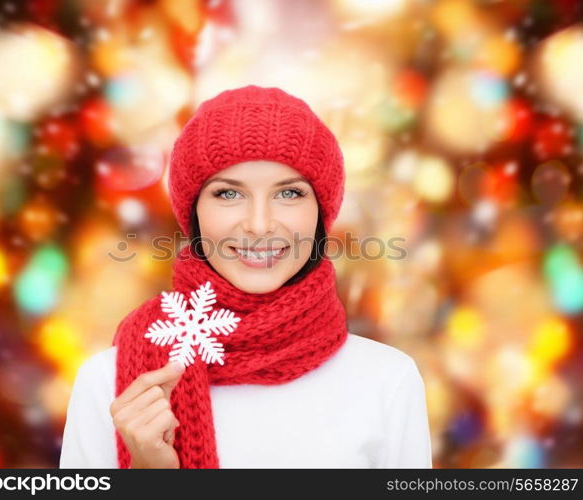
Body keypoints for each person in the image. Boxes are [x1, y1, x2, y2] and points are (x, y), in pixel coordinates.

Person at [59, 85, 432, 469]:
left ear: (321, 213)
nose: (258, 224)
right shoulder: (113, 384)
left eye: (288, 194)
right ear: (194, 214)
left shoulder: (388, 380)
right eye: (227, 194)